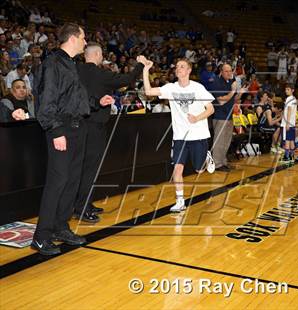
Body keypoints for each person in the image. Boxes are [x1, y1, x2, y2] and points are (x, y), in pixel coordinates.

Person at [32, 23, 114, 255]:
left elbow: (75, 99)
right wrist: (56, 131)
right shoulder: (52, 64)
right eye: (84, 38)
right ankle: (41, 236)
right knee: (57, 183)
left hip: (79, 128)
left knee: (71, 182)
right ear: (73, 39)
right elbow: (45, 103)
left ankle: (60, 227)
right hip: (62, 129)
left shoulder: (72, 65)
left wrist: (97, 102)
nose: (86, 42)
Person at [73, 42, 145, 223]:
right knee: (90, 168)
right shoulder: (100, 73)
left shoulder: (76, 70)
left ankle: (85, 203)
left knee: (82, 167)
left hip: (78, 124)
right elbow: (127, 79)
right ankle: (82, 208)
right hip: (94, 126)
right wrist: (141, 64)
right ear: (97, 55)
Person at [140, 57, 216, 212]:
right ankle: (180, 201)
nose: (178, 69)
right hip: (180, 137)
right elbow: (148, 91)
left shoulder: (198, 88)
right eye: (177, 67)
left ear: (188, 70)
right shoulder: (171, 88)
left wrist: (197, 118)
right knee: (177, 169)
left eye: (182, 67)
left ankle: (206, 156)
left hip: (198, 135)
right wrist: (146, 69)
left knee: (199, 170)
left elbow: (210, 109)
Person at [210, 64, 247, 171]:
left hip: (229, 115)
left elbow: (233, 99)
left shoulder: (229, 82)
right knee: (219, 141)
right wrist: (232, 91)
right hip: (220, 116)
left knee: (226, 141)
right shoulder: (216, 82)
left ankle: (223, 162)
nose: (229, 73)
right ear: (221, 71)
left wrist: (239, 93)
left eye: (230, 71)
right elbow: (221, 101)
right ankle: (217, 164)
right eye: (226, 71)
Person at [280, 84, 297, 161]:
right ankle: (292, 156)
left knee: (287, 140)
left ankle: (286, 157)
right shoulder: (294, 99)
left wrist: (287, 123)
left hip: (287, 123)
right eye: (286, 89)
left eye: (288, 89)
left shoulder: (289, 99)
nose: (286, 91)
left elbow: (289, 110)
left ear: (292, 90)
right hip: (292, 123)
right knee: (291, 140)